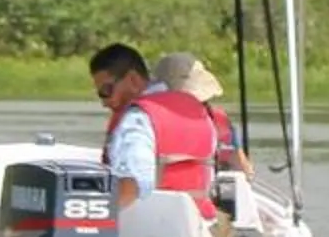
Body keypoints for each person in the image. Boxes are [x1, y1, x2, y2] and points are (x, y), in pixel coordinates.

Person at [91, 42, 221, 211]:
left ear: (133, 79)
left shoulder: (138, 118)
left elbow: (133, 185)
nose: (105, 102)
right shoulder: (199, 111)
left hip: (153, 225)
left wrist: (89, 217)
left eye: (106, 91)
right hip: (201, 223)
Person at [152, 50, 255, 176]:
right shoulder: (218, 121)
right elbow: (243, 168)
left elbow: (242, 164)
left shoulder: (146, 120)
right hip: (202, 190)